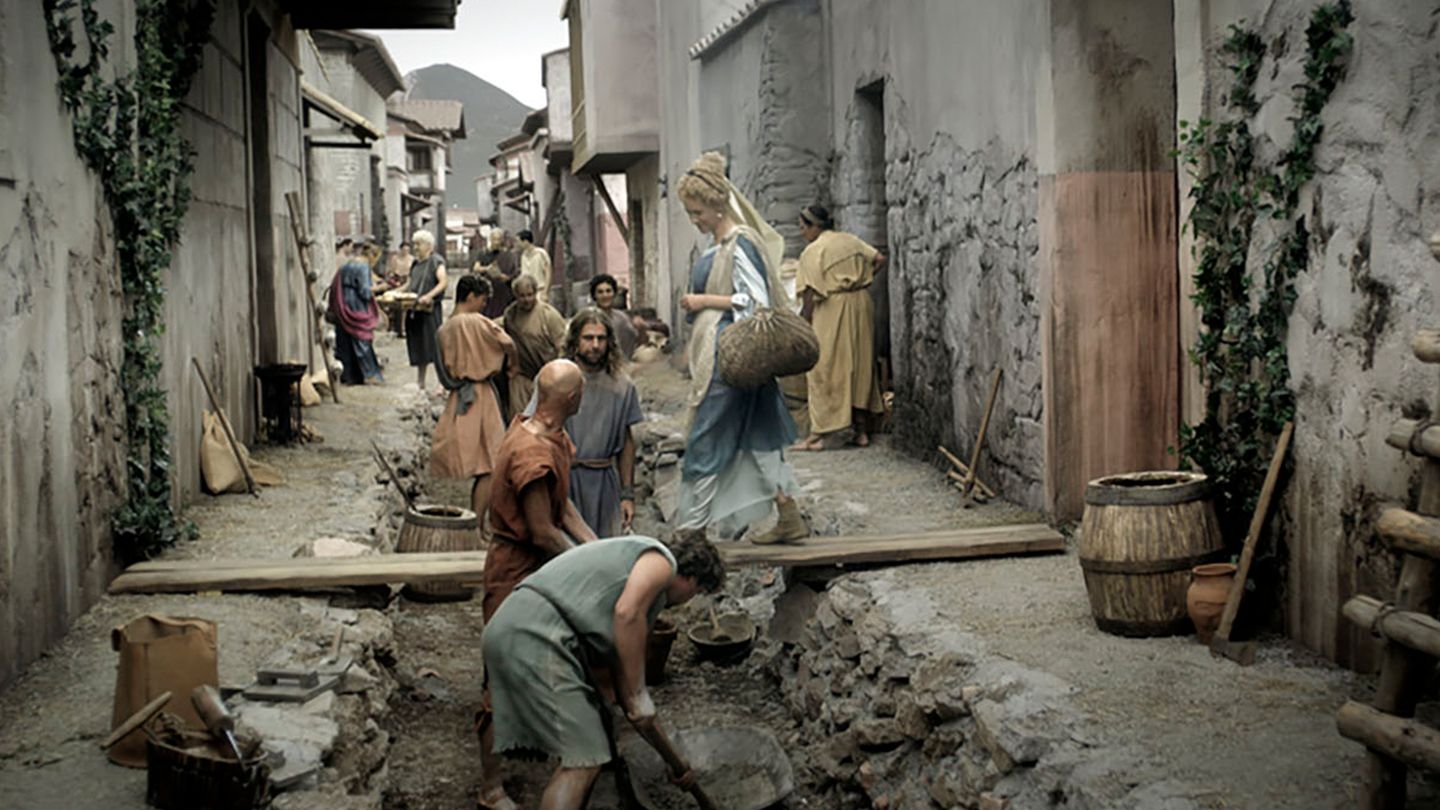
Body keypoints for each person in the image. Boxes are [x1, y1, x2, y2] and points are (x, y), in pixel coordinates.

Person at [482, 531, 723, 810]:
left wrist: (674, 761)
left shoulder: (631, 578)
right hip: (534, 634)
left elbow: (631, 704)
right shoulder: (661, 562)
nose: (689, 600)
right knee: (585, 758)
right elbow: (626, 615)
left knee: (588, 748)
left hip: (515, 626)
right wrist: (640, 693)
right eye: (697, 593)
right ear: (692, 578)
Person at [476, 359, 598, 810]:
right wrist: (586, 565)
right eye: (581, 390)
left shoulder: (550, 434)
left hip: (541, 566)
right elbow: (543, 530)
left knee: (555, 661)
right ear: (570, 398)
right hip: (516, 569)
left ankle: (549, 747)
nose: (584, 395)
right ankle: (490, 789)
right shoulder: (531, 452)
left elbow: (563, 511)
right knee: (502, 672)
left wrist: (598, 550)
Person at [675, 151, 809, 545]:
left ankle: (693, 531)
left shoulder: (740, 243)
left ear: (718, 207)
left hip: (733, 357)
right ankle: (788, 515)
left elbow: (755, 301)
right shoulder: (719, 246)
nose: (694, 219)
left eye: (697, 211)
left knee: (706, 437)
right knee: (758, 432)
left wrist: (704, 302)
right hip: (730, 356)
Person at [528, 309, 644, 538]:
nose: (595, 345)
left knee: (604, 549)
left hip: (603, 483)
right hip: (564, 478)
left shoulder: (622, 386)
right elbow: (536, 429)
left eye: (601, 339)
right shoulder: (557, 379)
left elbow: (626, 443)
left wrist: (627, 494)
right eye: (588, 338)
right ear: (575, 341)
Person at [792, 205, 887, 450]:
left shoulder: (814, 251)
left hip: (832, 307)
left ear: (814, 226)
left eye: (803, 228)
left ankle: (820, 433)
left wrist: (804, 322)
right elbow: (879, 259)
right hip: (860, 302)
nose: (802, 233)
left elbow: (810, 293)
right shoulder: (849, 240)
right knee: (860, 365)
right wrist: (862, 279)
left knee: (825, 365)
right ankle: (861, 431)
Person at [431, 275, 516, 522]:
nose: (484, 305)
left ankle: (474, 521)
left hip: (459, 394)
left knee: (473, 460)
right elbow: (508, 343)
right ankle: (477, 521)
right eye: (482, 299)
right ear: (470, 297)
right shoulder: (480, 322)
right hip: (481, 394)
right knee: (490, 463)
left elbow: (442, 369)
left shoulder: (444, 328)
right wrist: (510, 365)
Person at [500, 275, 567, 419]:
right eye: (522, 296)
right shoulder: (511, 315)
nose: (526, 300)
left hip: (547, 377)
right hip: (523, 376)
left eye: (530, 295)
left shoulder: (548, 315)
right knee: (520, 419)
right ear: (515, 296)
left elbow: (563, 346)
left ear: (535, 293)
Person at [328, 241, 384, 385]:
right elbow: (365, 292)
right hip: (355, 305)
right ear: (372, 256)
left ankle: (348, 375)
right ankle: (369, 374)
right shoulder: (363, 266)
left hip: (342, 304)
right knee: (362, 339)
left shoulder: (347, 264)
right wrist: (379, 288)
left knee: (345, 341)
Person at [404, 229, 447, 389]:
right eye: (414, 244)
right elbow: (409, 284)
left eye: (419, 244)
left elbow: (443, 282)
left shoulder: (436, 261)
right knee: (418, 347)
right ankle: (420, 382)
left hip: (430, 311)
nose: (416, 247)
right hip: (415, 309)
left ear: (428, 245)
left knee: (434, 346)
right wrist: (395, 292)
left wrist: (429, 296)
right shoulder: (415, 263)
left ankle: (441, 383)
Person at [589, 273, 640, 358]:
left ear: (614, 293)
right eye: (600, 292)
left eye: (608, 291)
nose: (605, 295)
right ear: (594, 295)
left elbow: (633, 339)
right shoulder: (589, 317)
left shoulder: (622, 318)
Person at [473, 229, 517, 319]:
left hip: (502, 292)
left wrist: (507, 277)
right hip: (488, 290)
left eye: (499, 239)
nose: (496, 242)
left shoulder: (507, 255)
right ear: (490, 239)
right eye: (494, 239)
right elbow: (476, 268)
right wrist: (487, 269)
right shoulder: (483, 253)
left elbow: (513, 272)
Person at [517, 228, 553, 304]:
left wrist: (545, 292)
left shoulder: (541, 254)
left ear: (525, 241)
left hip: (540, 289)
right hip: (527, 292)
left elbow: (548, 273)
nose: (518, 244)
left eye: (519, 241)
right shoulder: (523, 256)